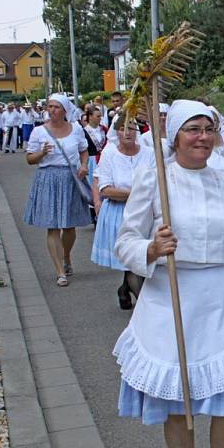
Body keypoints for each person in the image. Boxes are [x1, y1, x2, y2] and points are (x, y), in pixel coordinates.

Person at [114, 100, 224, 448]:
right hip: (170, 297)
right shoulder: (154, 178)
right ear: (175, 136)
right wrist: (151, 250)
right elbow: (125, 241)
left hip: (220, 297)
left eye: (208, 129)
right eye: (192, 129)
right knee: (179, 405)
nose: (202, 137)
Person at [24, 94, 91, 287]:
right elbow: (29, 159)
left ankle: (66, 256)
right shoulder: (39, 132)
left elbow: (83, 150)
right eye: (49, 106)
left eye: (56, 107)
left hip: (70, 178)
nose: (51, 110)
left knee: (69, 226)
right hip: (47, 178)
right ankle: (59, 270)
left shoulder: (76, 129)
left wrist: (84, 165)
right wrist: (42, 153)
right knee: (52, 226)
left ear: (64, 110)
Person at [91, 119, 152, 309]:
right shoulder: (110, 154)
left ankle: (125, 290)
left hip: (143, 212)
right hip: (119, 213)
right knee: (131, 263)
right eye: (123, 129)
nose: (128, 132)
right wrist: (136, 193)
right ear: (116, 132)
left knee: (138, 259)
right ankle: (146, 307)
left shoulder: (148, 153)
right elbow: (106, 189)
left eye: (132, 128)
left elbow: (155, 181)